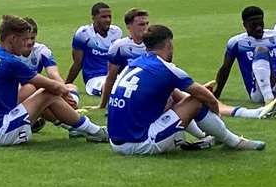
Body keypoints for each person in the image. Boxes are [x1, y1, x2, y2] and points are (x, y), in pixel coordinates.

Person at [107, 25, 265, 155]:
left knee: (175, 98)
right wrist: (217, 118)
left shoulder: (134, 64)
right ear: (169, 44)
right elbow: (207, 98)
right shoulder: (166, 69)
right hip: (139, 143)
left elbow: (176, 98)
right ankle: (233, 141)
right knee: (197, 100)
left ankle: (205, 136)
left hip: (115, 143)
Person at [0, 14, 108, 146]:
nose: (27, 43)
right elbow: (52, 86)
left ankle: (75, 127)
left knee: (32, 90)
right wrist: (66, 92)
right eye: (23, 39)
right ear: (13, 39)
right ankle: (96, 131)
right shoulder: (10, 62)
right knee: (48, 93)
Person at [206, 6, 276, 118]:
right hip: (258, 90)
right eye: (253, 25)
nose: (258, 28)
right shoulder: (237, 42)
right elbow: (225, 69)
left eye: (261, 23)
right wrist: (215, 95)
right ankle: (269, 100)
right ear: (245, 25)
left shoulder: (275, 36)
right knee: (261, 50)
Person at [64, 2, 121, 105]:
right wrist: (66, 85)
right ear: (94, 18)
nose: (108, 20)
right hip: (95, 79)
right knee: (111, 88)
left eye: (109, 16)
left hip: (114, 76)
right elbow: (77, 63)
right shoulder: (83, 34)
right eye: (103, 17)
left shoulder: (116, 32)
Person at [94, 8, 150, 110]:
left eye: (147, 24)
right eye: (141, 24)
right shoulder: (119, 47)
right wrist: (102, 105)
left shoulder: (155, 44)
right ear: (129, 26)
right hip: (130, 90)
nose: (145, 28)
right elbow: (111, 77)